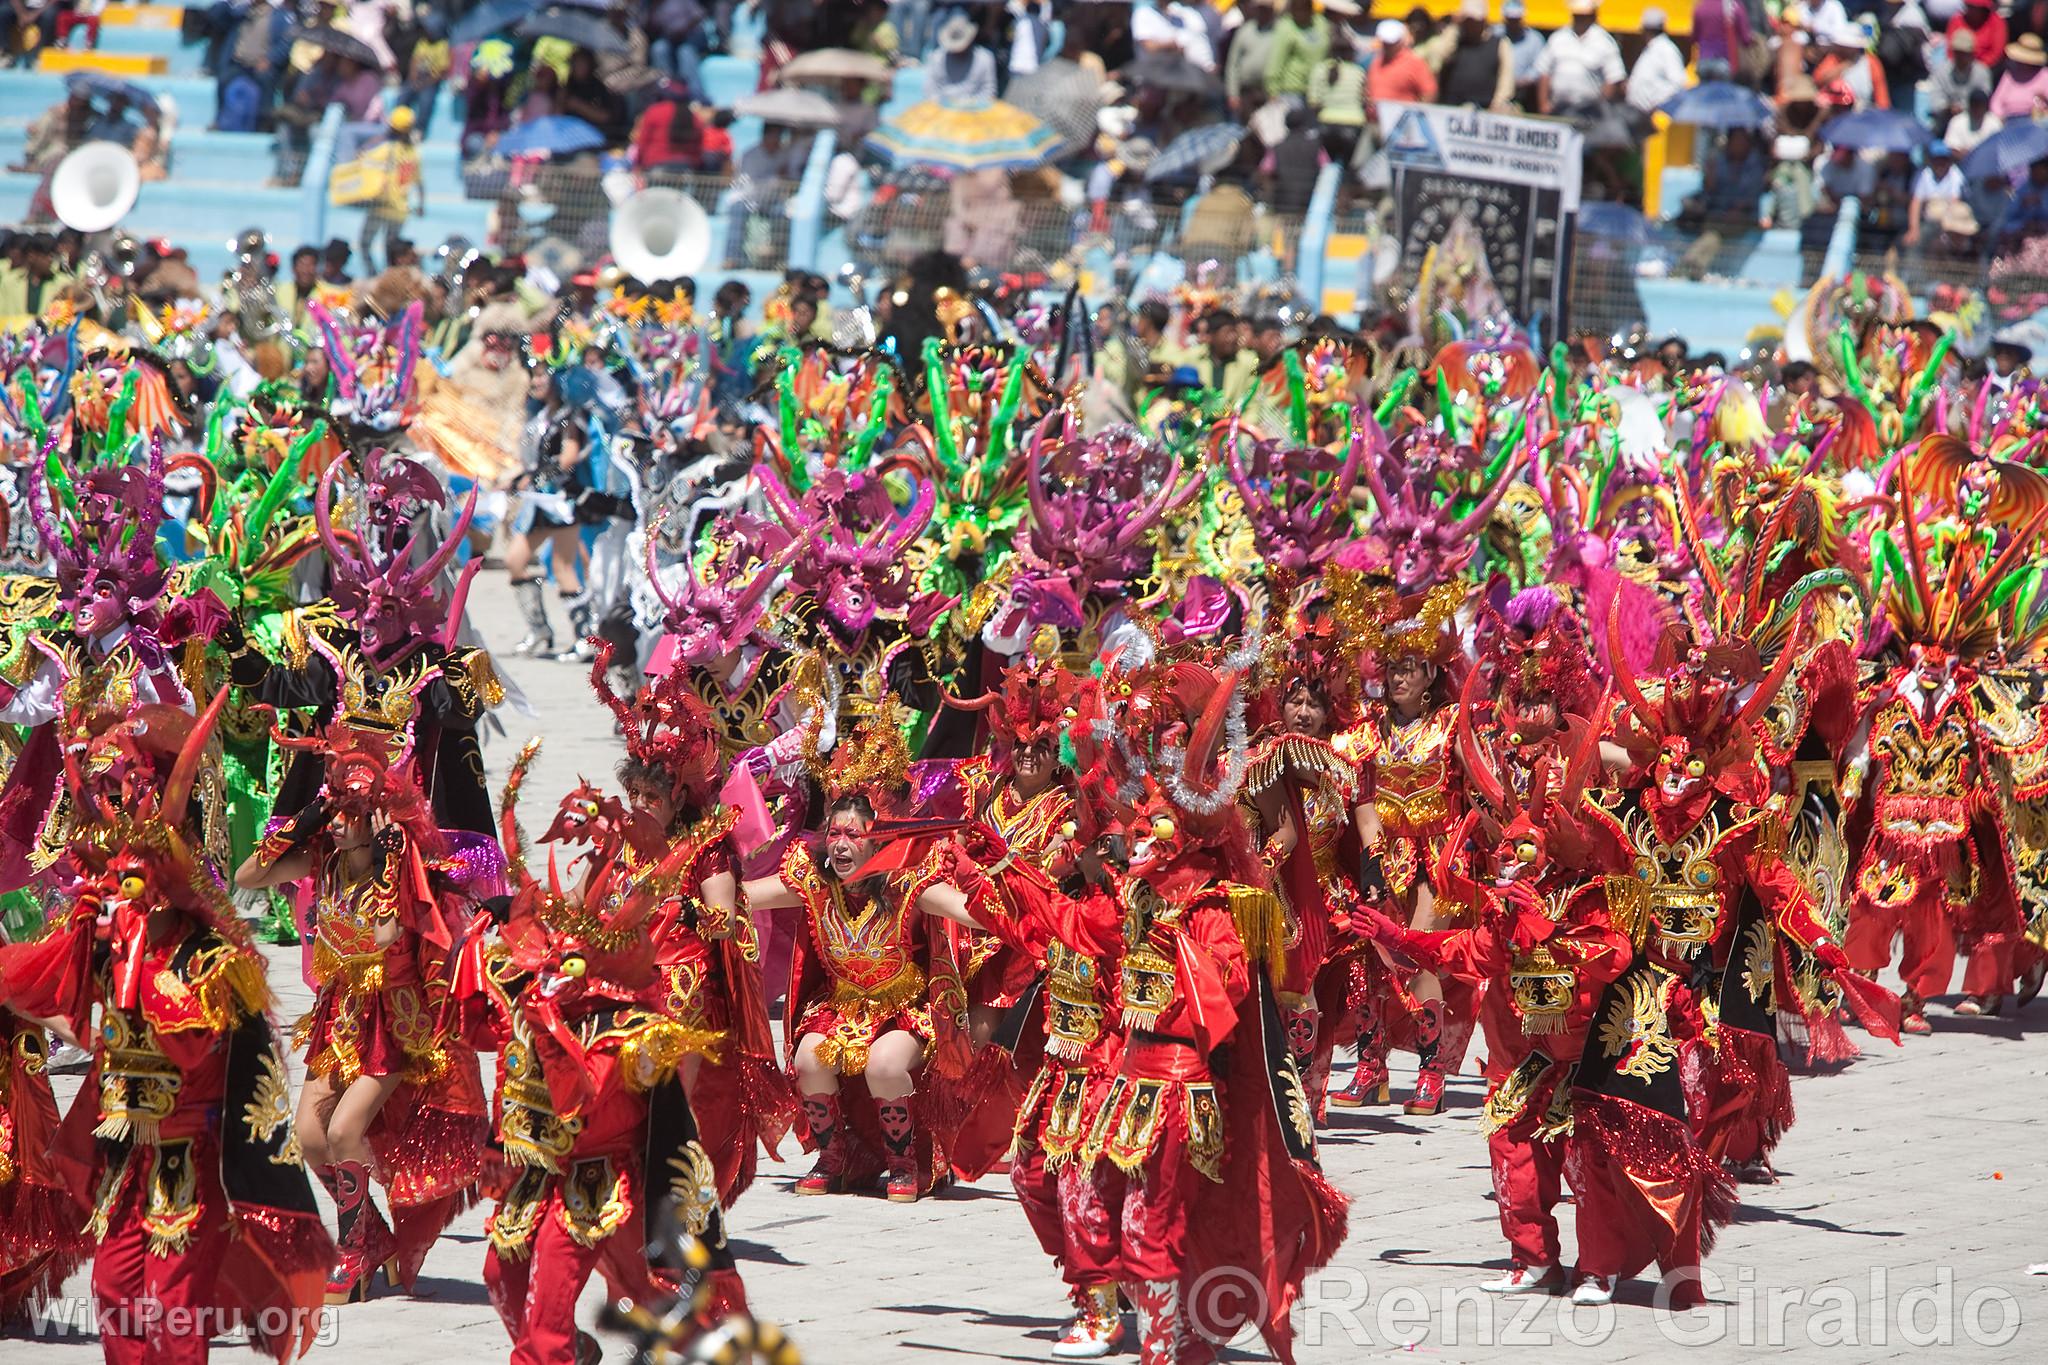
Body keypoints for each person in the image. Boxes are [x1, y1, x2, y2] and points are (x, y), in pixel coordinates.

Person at [356, 105, 424, 273]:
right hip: (400, 208)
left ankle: (375, 276)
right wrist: (422, 204)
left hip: (381, 205)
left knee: (365, 243)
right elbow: (419, 183)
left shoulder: (386, 149)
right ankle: (389, 277)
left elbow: (362, 157)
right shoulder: (413, 152)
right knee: (391, 250)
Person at [1535, 0, 1625, 119]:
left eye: (1584, 16)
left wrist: (1600, 108)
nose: (1580, 19)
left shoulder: (1605, 42)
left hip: (1588, 112)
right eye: (1577, 15)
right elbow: (1544, 71)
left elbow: (1614, 78)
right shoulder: (1558, 37)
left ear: (1593, 16)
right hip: (1558, 107)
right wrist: (1544, 104)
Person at [1436, 0, 1513, 109]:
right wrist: (1454, 27)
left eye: (1474, 20)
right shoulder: (1456, 42)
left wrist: (1498, 102)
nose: (1470, 24)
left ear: (1483, 20)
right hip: (1452, 106)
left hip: (1485, 108)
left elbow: (1506, 78)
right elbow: (1440, 55)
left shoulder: (1500, 43)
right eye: (1467, 20)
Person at [1626, 8, 1688, 130]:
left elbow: (1679, 84)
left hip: (1656, 117)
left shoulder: (1667, 49)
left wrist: (1658, 105)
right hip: (1641, 115)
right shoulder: (1652, 49)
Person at [1906, 141, 1975, 250]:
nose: (1940, 164)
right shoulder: (1924, 174)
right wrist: (1913, 229)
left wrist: (1944, 231)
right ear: (1931, 160)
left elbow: (1954, 204)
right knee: (1916, 241)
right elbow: (1916, 202)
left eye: (1944, 160)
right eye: (1937, 160)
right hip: (1929, 221)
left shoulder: (1956, 175)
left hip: (1951, 222)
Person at [925, 7, 997, 104]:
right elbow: (931, 90)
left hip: (975, 111)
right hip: (942, 110)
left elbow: (989, 91)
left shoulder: (985, 58)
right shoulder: (937, 58)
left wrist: (972, 104)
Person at [1924, 27, 1993, 126]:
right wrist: (1948, 108)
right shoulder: (1941, 71)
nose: (1961, 57)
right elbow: (1935, 102)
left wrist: (1965, 108)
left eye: (1965, 53)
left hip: (1974, 120)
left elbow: (1983, 99)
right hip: (1946, 121)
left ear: (1972, 54)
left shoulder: (1982, 72)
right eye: (1958, 52)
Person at [1266, 0, 1332, 99]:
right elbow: (1276, 59)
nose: (1300, 13)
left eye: (1304, 9)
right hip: (1292, 91)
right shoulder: (1286, 27)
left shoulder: (1321, 24)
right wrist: (1272, 89)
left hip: (1319, 89)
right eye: (1297, 9)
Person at [1366, 18, 1437, 105]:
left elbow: (1429, 93)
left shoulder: (1414, 63)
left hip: (1400, 116)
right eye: (1385, 42)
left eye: (1391, 43)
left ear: (1401, 41)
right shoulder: (1376, 61)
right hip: (1374, 117)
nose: (1388, 46)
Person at [1224, 0, 1278, 110]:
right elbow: (1233, 63)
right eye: (1260, 8)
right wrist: (1233, 93)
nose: (1262, 12)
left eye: (1265, 9)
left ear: (1272, 10)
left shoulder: (1279, 30)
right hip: (1247, 90)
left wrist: (1276, 91)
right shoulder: (1245, 30)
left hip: (1268, 91)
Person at [1990, 33, 2048, 117]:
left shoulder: (2044, 75)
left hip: (2034, 120)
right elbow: (1996, 101)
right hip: (2008, 118)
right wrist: (2000, 115)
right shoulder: (2009, 75)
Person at [1501, 0, 1545, 108]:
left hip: (1524, 95)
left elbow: (1540, 67)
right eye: (1510, 19)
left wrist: (1524, 80)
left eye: (1516, 19)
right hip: (1497, 92)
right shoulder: (1496, 35)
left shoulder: (1535, 39)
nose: (1513, 22)